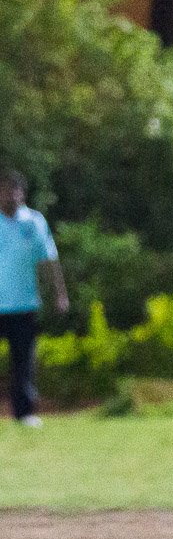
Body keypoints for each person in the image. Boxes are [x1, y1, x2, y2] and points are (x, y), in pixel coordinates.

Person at [0, 171, 68, 427]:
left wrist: (60, 294)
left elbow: (49, 259)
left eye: (14, 189)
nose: (9, 195)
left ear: (22, 193)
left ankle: (24, 413)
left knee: (23, 362)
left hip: (24, 303)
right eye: (4, 190)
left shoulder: (35, 222)